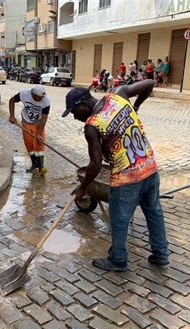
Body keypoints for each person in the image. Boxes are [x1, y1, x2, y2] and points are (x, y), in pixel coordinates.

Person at [61, 80, 169, 272]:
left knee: (119, 219)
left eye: (74, 113)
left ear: (83, 105)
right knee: (154, 212)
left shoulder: (92, 126)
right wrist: (135, 107)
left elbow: (94, 165)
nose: (75, 118)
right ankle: (161, 255)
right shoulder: (118, 94)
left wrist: (82, 188)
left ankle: (118, 260)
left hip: (127, 177)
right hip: (149, 167)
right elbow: (150, 83)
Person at [8, 85, 51, 174]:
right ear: (33, 95)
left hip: (38, 123)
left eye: (42, 97)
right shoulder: (24, 94)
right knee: (29, 144)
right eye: (39, 98)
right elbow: (12, 100)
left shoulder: (46, 101)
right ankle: (34, 164)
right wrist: (12, 115)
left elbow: (44, 118)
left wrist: (39, 134)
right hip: (26, 122)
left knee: (39, 143)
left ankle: (41, 166)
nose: (42, 99)